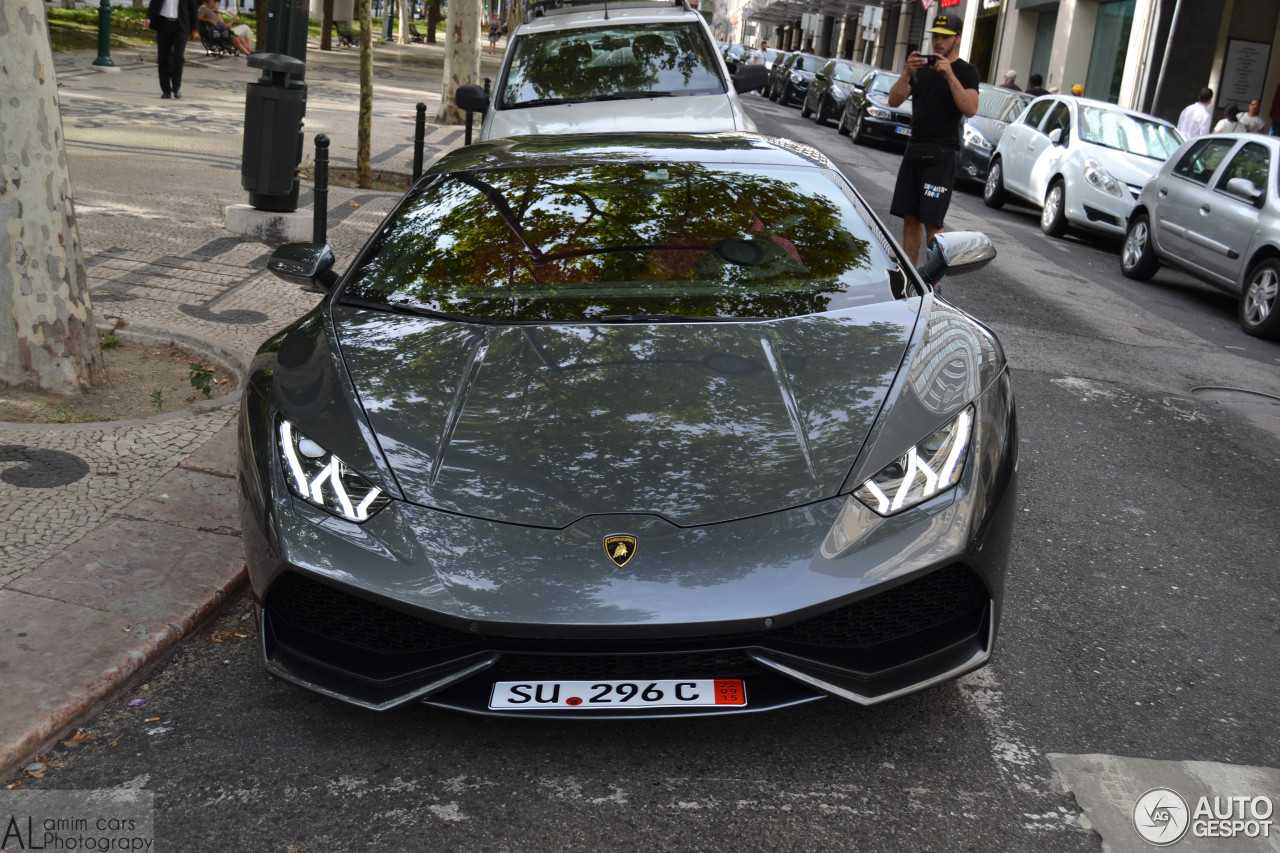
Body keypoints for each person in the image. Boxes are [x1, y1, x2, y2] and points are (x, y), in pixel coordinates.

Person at [887, 13, 979, 267]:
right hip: (914, 149)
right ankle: (908, 275)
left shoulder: (966, 71)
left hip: (942, 154)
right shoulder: (920, 70)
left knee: (933, 222)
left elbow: (970, 108)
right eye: (936, 36)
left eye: (945, 38)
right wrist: (907, 71)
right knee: (910, 218)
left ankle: (932, 282)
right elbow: (894, 100)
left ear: (957, 40)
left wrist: (949, 76)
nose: (938, 42)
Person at [144, 0, 199, 99]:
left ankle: (176, 88)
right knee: (164, 57)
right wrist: (148, 18)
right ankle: (166, 90)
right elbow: (154, 3)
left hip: (181, 24)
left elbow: (193, 8)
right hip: (163, 23)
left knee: (178, 56)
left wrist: (194, 28)